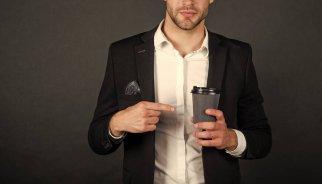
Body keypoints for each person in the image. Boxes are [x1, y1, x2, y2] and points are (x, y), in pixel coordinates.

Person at [88, 0, 271, 183]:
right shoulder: (122, 53)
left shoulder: (239, 55)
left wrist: (231, 139)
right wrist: (117, 124)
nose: (188, 2)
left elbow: (262, 139)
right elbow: (97, 139)